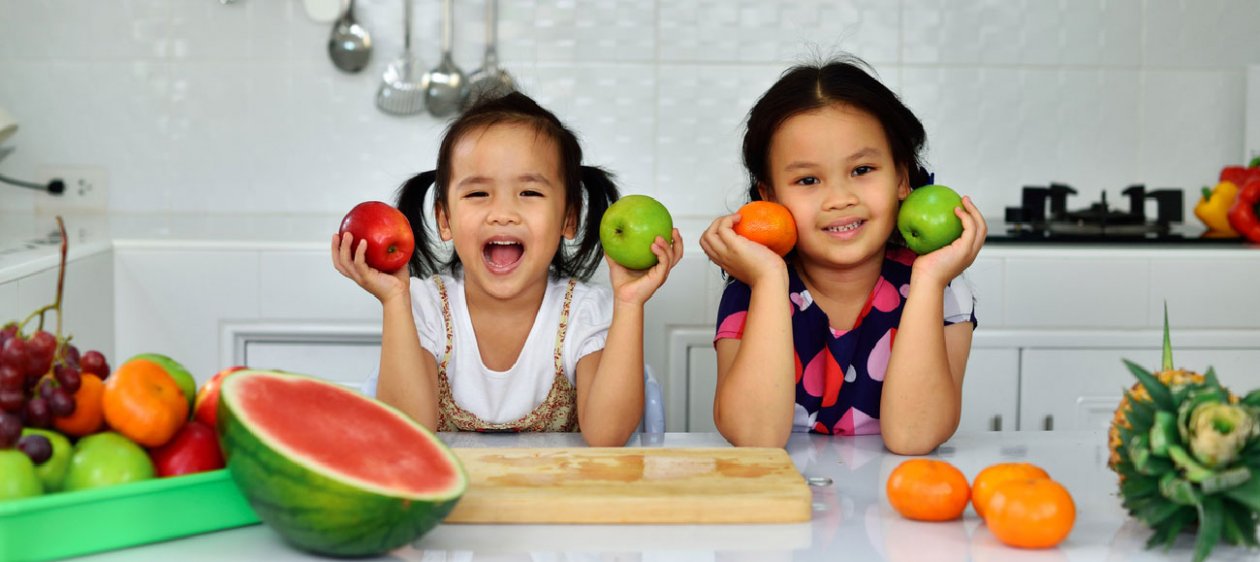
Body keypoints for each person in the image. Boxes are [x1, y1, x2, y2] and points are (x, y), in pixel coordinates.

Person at [332, 92, 682, 446]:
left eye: (529, 193)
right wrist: (394, 301)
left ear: (569, 218)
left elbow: (608, 436)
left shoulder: (585, 313)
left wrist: (629, 303)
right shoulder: (422, 307)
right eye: (477, 194)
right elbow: (407, 434)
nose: (502, 212)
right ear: (445, 219)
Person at [700, 58, 986, 454]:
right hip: (787, 502)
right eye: (808, 180)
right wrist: (767, 281)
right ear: (770, 198)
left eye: (863, 169)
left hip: (897, 501)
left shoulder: (941, 286)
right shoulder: (754, 284)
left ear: (902, 179)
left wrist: (929, 282)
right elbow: (755, 439)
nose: (839, 199)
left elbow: (914, 437)